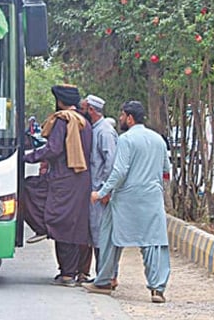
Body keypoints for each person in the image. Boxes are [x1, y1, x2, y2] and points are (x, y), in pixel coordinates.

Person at [84, 100, 171, 304]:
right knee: (154, 243)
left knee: (110, 237)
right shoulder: (158, 139)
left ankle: (104, 281)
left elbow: (120, 171)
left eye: (122, 116)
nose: (120, 119)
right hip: (152, 199)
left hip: (125, 199)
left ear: (130, 118)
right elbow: (166, 171)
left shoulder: (126, 139)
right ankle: (157, 289)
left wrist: (102, 192)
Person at [23, 84, 93, 287]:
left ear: (60, 102)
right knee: (73, 225)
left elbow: (52, 149)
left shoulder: (64, 120)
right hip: (81, 181)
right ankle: (72, 272)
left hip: (63, 180)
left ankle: (67, 273)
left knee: (56, 219)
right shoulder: (84, 122)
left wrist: (28, 158)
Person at [76, 95, 119, 286]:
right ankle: (103, 275)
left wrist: (106, 190)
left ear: (91, 110)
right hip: (94, 191)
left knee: (103, 236)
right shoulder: (95, 129)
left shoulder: (105, 132)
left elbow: (111, 162)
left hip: (101, 192)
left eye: (84, 108)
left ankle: (107, 277)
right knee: (96, 234)